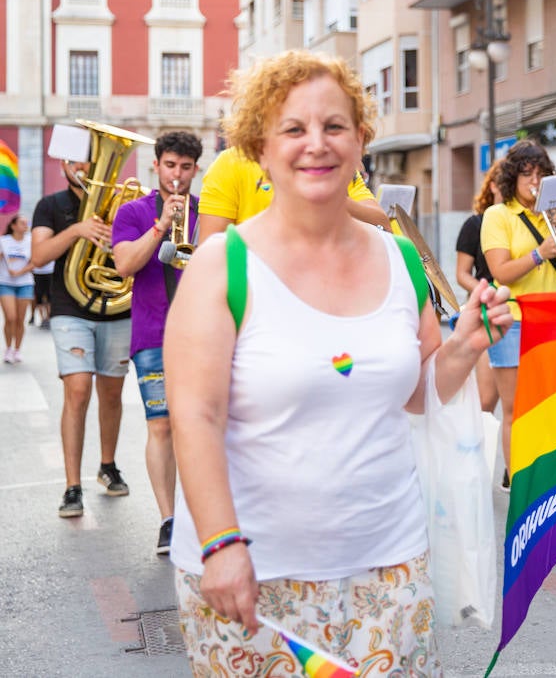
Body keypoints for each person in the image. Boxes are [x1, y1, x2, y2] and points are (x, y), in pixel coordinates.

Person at [164, 50, 513, 674]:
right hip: (255, 577)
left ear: (359, 143)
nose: (315, 145)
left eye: (334, 127)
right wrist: (221, 545)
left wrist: (463, 345)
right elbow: (194, 415)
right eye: (293, 129)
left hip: (390, 567)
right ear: (260, 149)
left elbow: (417, 394)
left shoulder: (403, 260)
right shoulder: (224, 265)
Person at [110, 130, 202, 555]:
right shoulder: (132, 211)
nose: (177, 175)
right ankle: (169, 520)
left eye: (185, 167)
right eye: (170, 166)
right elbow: (125, 264)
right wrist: (162, 225)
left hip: (204, 333)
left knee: (203, 426)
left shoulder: (212, 212)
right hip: (153, 334)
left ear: (195, 169)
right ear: (157, 165)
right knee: (161, 424)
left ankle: (203, 513)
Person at [32, 146, 135, 518]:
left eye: (88, 160)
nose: (83, 167)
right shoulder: (50, 205)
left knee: (111, 394)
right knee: (77, 391)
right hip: (68, 309)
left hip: (115, 310)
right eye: (75, 161)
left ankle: (107, 466)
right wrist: (78, 230)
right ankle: (72, 486)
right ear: (63, 165)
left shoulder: (122, 203)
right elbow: (39, 257)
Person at [482, 140, 556, 484]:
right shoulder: (498, 216)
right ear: (513, 177)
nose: (534, 180)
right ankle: (520, 483)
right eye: (527, 173)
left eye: (540, 173)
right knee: (516, 409)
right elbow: (501, 271)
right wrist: (540, 253)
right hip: (514, 321)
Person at [195, 131, 386, 240]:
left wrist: (330, 196)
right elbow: (211, 254)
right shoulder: (230, 163)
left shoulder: (335, 163)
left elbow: (383, 225)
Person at [454, 161, 502, 418]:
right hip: (489, 310)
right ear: (492, 185)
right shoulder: (475, 224)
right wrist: (487, 292)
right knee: (486, 399)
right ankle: (478, 454)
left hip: (522, 311)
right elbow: (462, 274)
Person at [1, 214, 34, 363]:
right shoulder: (3, 241)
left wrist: (20, 272)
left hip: (25, 283)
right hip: (5, 283)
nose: (25, 226)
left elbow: (36, 262)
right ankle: (8, 348)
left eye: (26, 223)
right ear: (13, 225)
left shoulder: (31, 241)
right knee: (10, 317)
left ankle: (17, 349)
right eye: (22, 223)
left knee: (20, 319)